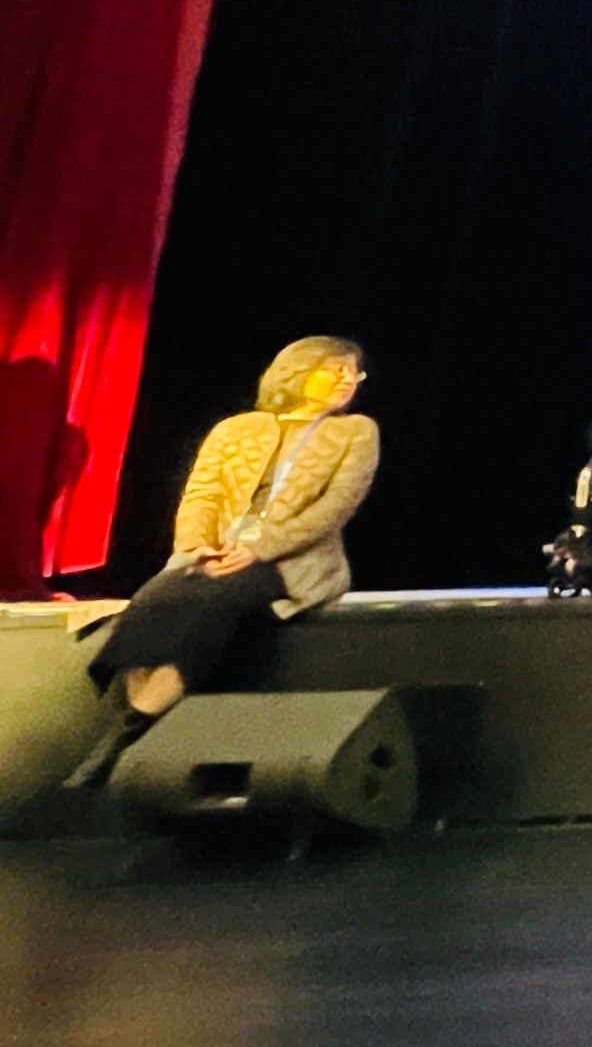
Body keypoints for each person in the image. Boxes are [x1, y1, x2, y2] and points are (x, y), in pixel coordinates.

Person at [68, 338, 381, 790]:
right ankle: (142, 728)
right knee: (154, 602)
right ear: (297, 371)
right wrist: (197, 546)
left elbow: (336, 506)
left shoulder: (356, 432)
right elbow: (203, 494)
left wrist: (260, 548)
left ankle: (123, 736)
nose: (347, 380)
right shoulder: (235, 429)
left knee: (212, 607)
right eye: (336, 369)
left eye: (354, 372)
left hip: (288, 560)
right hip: (215, 552)